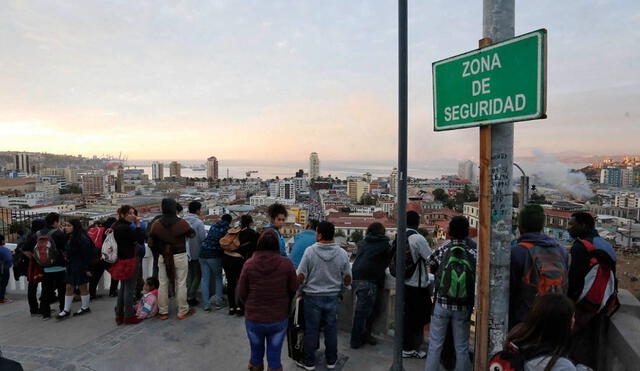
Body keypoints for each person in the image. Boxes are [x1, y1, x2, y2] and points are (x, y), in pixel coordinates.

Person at [238, 229, 299, 371]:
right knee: (275, 355)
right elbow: (294, 287)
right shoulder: (286, 264)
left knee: (255, 353)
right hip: (278, 317)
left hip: (254, 318)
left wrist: (249, 305)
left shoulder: (249, 264)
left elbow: (241, 292)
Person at [297, 221, 352, 370]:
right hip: (333, 297)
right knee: (331, 330)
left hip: (312, 297)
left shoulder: (310, 251)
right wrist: (341, 291)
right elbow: (347, 278)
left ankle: (309, 362)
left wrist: (299, 292)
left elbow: (301, 276)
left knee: (311, 330)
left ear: (319, 234)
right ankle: (331, 361)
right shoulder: (342, 253)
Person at [425, 216, 476, 371]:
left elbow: (429, 261)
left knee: (435, 345)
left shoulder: (444, 249)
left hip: (442, 302)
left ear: (450, 232)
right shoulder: (473, 252)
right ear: (467, 232)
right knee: (461, 347)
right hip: (463, 306)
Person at [567, 211, 616, 369]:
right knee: (592, 346)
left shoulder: (580, 246)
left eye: (571, 224)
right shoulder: (607, 245)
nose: (568, 228)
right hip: (603, 304)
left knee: (577, 347)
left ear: (583, 226)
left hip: (582, 306)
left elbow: (574, 280)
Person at [510, 204, 568, 329]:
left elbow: (509, 292)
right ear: (542, 226)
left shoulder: (517, 252)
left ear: (519, 226)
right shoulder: (561, 251)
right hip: (555, 320)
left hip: (525, 322)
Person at [149, 198, 196, 320]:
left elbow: (150, 242)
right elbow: (192, 234)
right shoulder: (182, 223)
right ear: (174, 208)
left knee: (163, 283)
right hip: (179, 255)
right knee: (181, 283)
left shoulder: (157, 224)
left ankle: (163, 312)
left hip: (163, 256)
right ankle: (182, 311)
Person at [504, 293, 578, 371]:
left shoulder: (512, 352)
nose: (574, 320)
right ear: (564, 324)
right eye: (572, 316)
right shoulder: (562, 366)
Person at [349, 222, 392, 349]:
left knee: (367, 310)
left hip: (356, 277)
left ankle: (365, 335)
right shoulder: (385, 245)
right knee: (363, 313)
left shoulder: (362, 243)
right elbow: (390, 260)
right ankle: (356, 341)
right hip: (369, 280)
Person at [399, 210, 433, 359]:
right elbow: (431, 259)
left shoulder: (399, 235)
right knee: (419, 318)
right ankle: (412, 348)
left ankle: (405, 346)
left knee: (406, 317)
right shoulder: (418, 239)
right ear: (417, 223)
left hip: (403, 282)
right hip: (417, 284)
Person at [23, 213, 68, 320]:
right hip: (60, 266)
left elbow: (25, 249)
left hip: (44, 267)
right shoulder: (59, 234)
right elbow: (67, 250)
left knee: (46, 289)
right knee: (61, 289)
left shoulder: (37, 234)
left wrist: (37, 259)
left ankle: (45, 313)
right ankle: (63, 309)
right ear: (55, 222)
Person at [113, 205, 146, 324]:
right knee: (129, 288)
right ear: (123, 215)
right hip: (130, 259)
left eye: (133, 213)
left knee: (123, 287)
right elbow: (139, 239)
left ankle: (119, 315)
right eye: (130, 213)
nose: (133, 215)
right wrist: (138, 225)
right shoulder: (126, 228)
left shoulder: (117, 226)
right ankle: (128, 315)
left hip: (121, 260)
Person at [56, 219, 94, 319]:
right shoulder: (71, 237)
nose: (66, 227)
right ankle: (66, 310)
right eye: (66, 225)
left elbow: (87, 255)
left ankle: (85, 307)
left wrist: (87, 269)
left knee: (82, 287)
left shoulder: (82, 238)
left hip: (80, 265)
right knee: (69, 287)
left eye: (69, 225)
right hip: (72, 265)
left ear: (75, 227)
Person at [223, 214, 258, 316]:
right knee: (241, 284)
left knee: (230, 283)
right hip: (238, 260)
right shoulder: (252, 233)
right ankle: (240, 307)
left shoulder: (234, 231)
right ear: (251, 223)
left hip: (226, 258)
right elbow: (254, 250)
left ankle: (231, 307)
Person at [200, 214, 232, 311]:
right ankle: (218, 301)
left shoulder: (213, 226)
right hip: (214, 254)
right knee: (218, 277)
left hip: (203, 253)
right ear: (230, 221)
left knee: (205, 279)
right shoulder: (227, 229)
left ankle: (206, 304)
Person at [21, 219, 46, 314]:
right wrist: (36, 257)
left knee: (33, 286)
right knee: (34, 285)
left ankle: (35, 308)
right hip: (35, 265)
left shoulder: (31, 235)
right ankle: (36, 308)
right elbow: (24, 249)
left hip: (33, 264)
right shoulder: (34, 236)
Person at [184, 201, 206, 307]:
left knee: (190, 275)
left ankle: (187, 294)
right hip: (197, 251)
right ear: (197, 210)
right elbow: (203, 238)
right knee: (198, 274)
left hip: (185, 252)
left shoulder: (183, 221)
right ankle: (191, 296)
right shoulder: (198, 222)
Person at [87, 221, 107, 299]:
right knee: (96, 275)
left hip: (89, 255)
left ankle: (89, 293)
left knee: (91, 274)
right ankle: (92, 293)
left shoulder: (89, 231)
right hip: (98, 254)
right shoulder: (103, 230)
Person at [0, 234, 13, 304]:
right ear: (2, 241)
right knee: (3, 283)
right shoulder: (5, 250)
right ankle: (1, 299)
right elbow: (9, 259)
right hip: (3, 268)